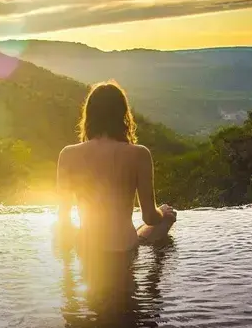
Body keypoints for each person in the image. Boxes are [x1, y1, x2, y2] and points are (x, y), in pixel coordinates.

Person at [56, 81, 177, 266]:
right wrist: (162, 212)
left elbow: (63, 220)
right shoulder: (139, 153)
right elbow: (150, 217)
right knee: (163, 218)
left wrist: (68, 281)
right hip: (124, 247)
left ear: (89, 116)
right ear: (123, 115)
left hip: (86, 248)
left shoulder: (68, 154)